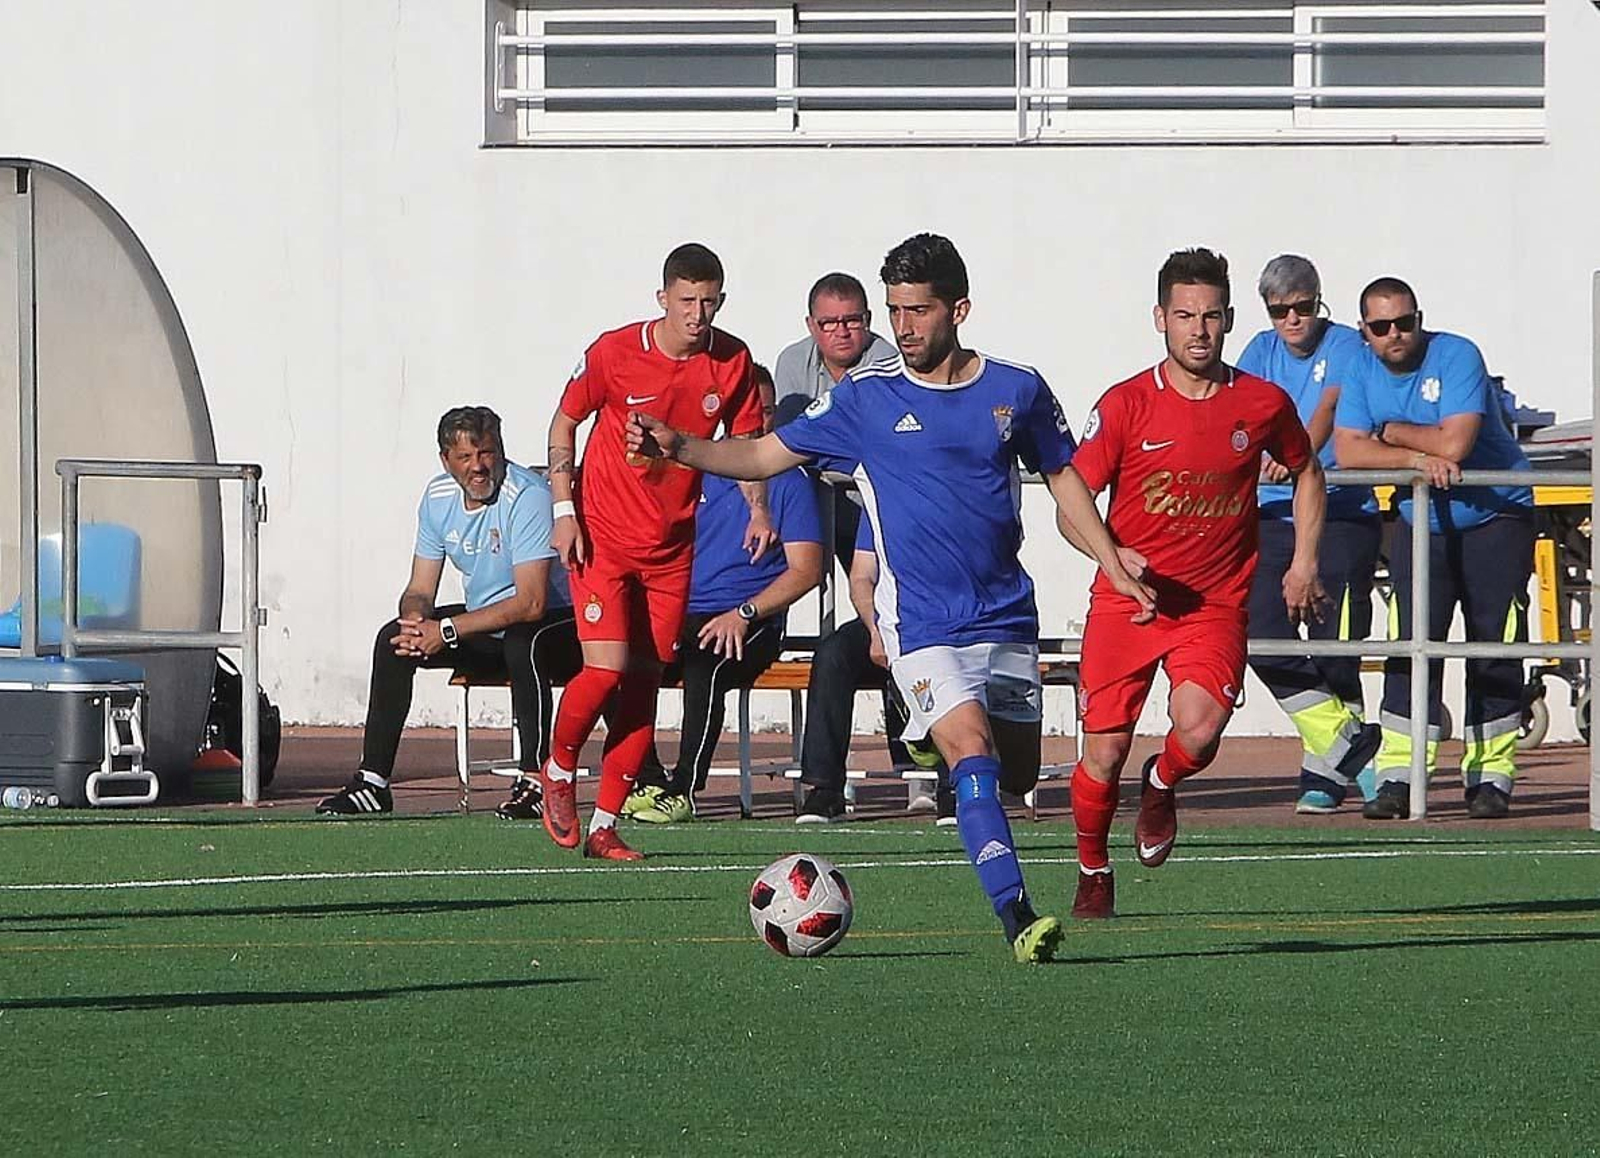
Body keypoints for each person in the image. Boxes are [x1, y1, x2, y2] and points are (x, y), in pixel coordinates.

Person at [626, 232, 1155, 964]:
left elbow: (1063, 476)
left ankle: (922, 726)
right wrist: (681, 446)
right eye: (895, 311)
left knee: (1019, 773)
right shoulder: (865, 401)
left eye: (918, 311)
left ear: (958, 309)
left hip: (1004, 613)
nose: (903, 328)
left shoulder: (1016, 389)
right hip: (923, 620)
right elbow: (761, 452)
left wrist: (1111, 561)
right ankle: (1018, 917)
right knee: (971, 755)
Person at [1066, 248, 1324, 920]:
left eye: (1211, 316)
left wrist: (1303, 560)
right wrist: (1114, 556)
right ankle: (1094, 868)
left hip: (1212, 603)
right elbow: (1072, 504)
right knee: (1103, 751)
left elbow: (1307, 471)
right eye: (1185, 316)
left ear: (1230, 319)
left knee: (1202, 730)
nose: (1199, 330)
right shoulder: (1124, 405)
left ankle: (1163, 779)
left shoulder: (1261, 403)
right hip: (1127, 604)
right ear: (1161, 319)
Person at [535, 242, 772, 861]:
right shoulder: (616, 352)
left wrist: (758, 507)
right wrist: (565, 512)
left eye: (710, 301)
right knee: (606, 669)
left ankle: (606, 824)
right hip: (604, 540)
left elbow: (746, 443)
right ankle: (557, 771)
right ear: (663, 298)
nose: (698, 314)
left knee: (644, 684)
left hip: (671, 548)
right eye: (688, 300)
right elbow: (564, 423)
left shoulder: (732, 362)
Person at [1333, 277, 1535, 820]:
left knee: (1494, 644)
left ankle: (1490, 777)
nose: (1395, 334)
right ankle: (1399, 777)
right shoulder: (1358, 368)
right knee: (1409, 641)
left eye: (1405, 322)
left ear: (1420, 320)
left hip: (1496, 511)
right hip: (1418, 514)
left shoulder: (1457, 354)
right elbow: (1348, 451)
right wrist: (1421, 462)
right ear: (1364, 332)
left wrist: (1394, 431)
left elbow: (1457, 443)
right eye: (1381, 327)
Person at [318, 406, 577, 816]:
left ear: (501, 451)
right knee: (392, 639)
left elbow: (531, 602)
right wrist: (416, 622)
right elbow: (420, 588)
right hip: (486, 622)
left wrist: (449, 631)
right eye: (466, 458)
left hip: (557, 625)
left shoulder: (528, 496)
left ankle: (536, 781)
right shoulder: (437, 497)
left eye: (488, 453)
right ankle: (373, 782)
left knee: (522, 641)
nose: (479, 467)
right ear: (446, 461)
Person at [621, 364, 825, 823]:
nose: (759, 424)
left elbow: (807, 571)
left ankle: (684, 789)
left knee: (703, 668)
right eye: (748, 413)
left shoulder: (789, 481)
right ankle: (647, 778)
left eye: (766, 413)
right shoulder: (687, 473)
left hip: (750, 618)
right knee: (620, 658)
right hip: (681, 610)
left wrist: (745, 612)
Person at [1236, 255, 1383, 814]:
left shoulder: (1346, 344)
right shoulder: (1260, 350)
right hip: (1271, 513)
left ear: (1318, 302)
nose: (1293, 320)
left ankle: (1322, 772)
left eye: (1303, 307)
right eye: (1281, 311)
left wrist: (1294, 451)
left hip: (1340, 510)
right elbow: (1244, 408)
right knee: (1260, 630)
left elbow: (1329, 406)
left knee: (1334, 640)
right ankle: (1352, 751)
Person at [794, 515, 954, 825]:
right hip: (886, 622)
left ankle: (956, 789)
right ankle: (825, 789)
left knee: (953, 661)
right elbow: (861, 578)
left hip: (946, 623)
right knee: (833, 654)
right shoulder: (879, 502)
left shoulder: (952, 497)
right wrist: (876, 628)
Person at [773, 272, 900, 569]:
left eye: (852, 320)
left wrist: (819, 441)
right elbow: (787, 445)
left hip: (873, 508)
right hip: (808, 505)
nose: (841, 332)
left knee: (876, 595)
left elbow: (883, 449)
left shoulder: (889, 363)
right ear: (810, 325)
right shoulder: (792, 360)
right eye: (828, 323)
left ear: (867, 319)